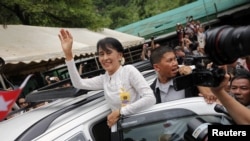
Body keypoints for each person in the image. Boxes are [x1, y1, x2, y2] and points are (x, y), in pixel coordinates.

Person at [58, 29, 156, 128]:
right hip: (123, 130)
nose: (105, 58)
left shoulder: (128, 71)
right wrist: (68, 55)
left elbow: (150, 98)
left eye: (109, 53)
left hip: (141, 126)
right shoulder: (104, 79)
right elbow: (78, 83)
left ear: (119, 55)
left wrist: (120, 112)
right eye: (101, 54)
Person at [149, 46, 217, 103]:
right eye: (170, 60)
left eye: (175, 59)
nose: (175, 63)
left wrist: (192, 76)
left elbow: (210, 96)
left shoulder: (188, 77)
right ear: (157, 67)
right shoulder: (150, 92)